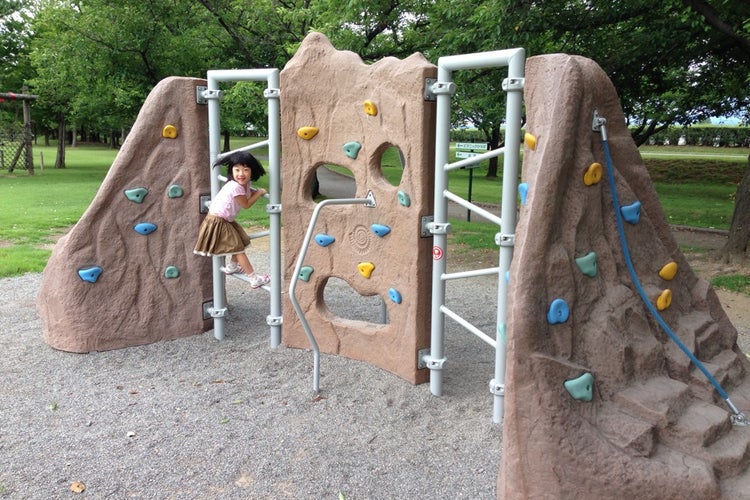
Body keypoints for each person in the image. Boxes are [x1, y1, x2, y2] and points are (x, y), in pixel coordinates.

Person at [194, 151, 270, 289]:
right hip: (218, 221)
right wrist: (258, 193)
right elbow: (246, 205)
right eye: (237, 170)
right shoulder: (235, 186)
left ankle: (232, 266)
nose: (241, 174)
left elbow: (246, 193)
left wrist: (252, 191)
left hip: (224, 220)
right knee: (238, 249)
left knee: (240, 241)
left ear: (252, 171)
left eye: (246, 170)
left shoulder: (243, 184)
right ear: (231, 171)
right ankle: (254, 278)